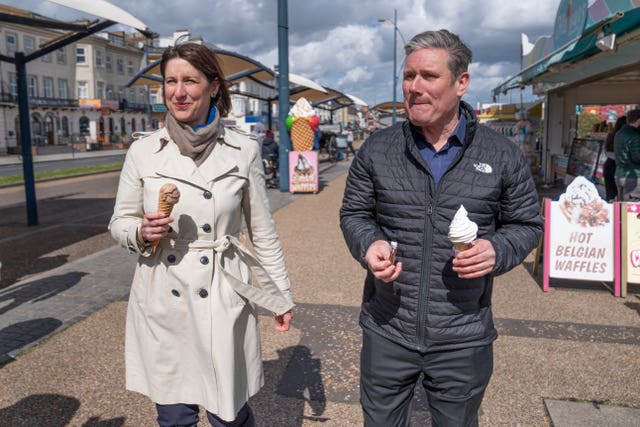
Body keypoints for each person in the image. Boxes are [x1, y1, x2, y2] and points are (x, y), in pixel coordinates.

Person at [340, 29, 543, 426]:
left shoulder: (500, 154)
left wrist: (497, 250)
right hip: (388, 327)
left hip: (463, 334)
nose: (414, 88)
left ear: (461, 82)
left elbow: (526, 223)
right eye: (408, 76)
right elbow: (355, 214)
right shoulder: (378, 149)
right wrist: (368, 244)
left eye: (428, 76)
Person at [109, 42, 294, 427]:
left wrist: (279, 294)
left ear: (213, 86)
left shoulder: (243, 149)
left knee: (229, 412)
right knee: (174, 415)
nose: (178, 91)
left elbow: (262, 230)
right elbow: (119, 222)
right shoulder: (144, 150)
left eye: (190, 81)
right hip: (164, 292)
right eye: (170, 81)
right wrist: (141, 232)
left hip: (222, 293)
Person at [614, 109, 640, 201]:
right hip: (632, 176)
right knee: (633, 209)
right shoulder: (635, 136)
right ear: (638, 120)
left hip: (619, 175)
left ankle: (620, 216)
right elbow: (637, 157)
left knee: (622, 209)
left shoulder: (619, 133)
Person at [603, 115, 626, 201]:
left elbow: (606, 150)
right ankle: (619, 213)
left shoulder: (611, 135)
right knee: (622, 197)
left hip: (609, 164)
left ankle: (611, 212)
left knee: (610, 195)